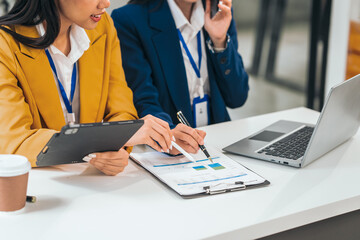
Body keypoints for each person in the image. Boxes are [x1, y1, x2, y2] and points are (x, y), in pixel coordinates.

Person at [0, 0, 202, 176]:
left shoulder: (102, 27)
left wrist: (117, 147)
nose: (105, 3)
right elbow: (15, 141)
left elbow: (121, 109)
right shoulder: (5, 44)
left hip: (96, 185)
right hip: (41, 188)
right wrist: (101, 142)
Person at [111, 0, 249, 144]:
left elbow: (237, 97)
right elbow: (143, 100)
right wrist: (168, 135)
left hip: (219, 141)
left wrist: (220, 42)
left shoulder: (219, 11)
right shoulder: (129, 19)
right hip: (169, 152)